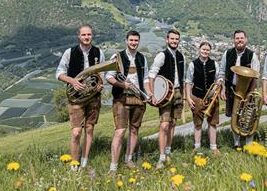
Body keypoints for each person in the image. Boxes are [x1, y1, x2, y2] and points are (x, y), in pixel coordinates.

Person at [56, 24, 105, 169]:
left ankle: (84, 160)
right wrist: (73, 81)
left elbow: (101, 73)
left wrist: (100, 84)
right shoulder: (69, 52)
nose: (86, 37)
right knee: (76, 132)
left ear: (92, 35)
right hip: (76, 97)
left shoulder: (98, 52)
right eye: (84, 35)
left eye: (89, 34)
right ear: (79, 36)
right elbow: (59, 73)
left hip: (93, 97)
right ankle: (74, 163)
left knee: (89, 128)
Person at [106, 30, 152, 174]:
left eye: (136, 41)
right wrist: (122, 85)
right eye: (131, 40)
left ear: (139, 42)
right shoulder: (117, 56)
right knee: (120, 131)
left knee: (134, 129)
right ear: (126, 41)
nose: (133, 43)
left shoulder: (142, 58)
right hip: (121, 97)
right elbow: (109, 77)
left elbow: (144, 79)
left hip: (138, 98)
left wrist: (148, 92)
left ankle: (128, 159)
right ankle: (113, 166)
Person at [149, 29, 185, 169]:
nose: (174, 41)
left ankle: (168, 152)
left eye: (177, 39)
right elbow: (152, 75)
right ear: (167, 40)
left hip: (178, 92)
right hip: (165, 93)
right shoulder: (161, 56)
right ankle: (162, 156)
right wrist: (153, 94)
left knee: (173, 123)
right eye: (172, 39)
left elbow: (182, 76)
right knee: (164, 125)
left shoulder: (181, 56)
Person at [218, 30, 260, 149]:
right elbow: (221, 72)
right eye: (237, 38)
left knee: (248, 116)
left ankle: (248, 144)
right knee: (234, 116)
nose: (239, 40)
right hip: (232, 90)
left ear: (246, 40)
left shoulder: (252, 55)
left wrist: (250, 94)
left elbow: (256, 76)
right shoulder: (227, 53)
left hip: (248, 90)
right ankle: (236, 143)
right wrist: (222, 89)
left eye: (241, 38)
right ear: (234, 40)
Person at [185, 41, 220, 155]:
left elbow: (218, 79)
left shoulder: (214, 64)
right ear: (199, 50)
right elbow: (188, 82)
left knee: (213, 122)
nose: (205, 51)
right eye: (203, 49)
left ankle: (213, 147)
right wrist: (189, 98)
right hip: (197, 97)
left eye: (207, 50)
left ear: (210, 51)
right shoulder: (192, 64)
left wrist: (218, 87)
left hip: (212, 97)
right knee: (198, 123)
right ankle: (197, 147)